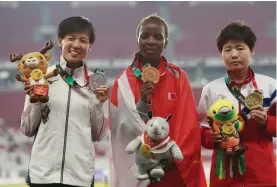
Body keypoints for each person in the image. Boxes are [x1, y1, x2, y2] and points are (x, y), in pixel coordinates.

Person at [110, 13, 207, 187]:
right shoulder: (123, 81)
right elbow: (118, 129)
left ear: (166, 43)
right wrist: (142, 104)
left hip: (173, 168)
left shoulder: (178, 76)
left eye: (158, 37)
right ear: (137, 40)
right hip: (138, 169)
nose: (151, 41)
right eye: (145, 36)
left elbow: (189, 124)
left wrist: (168, 155)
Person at [20, 16, 109, 187]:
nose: (76, 45)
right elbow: (27, 129)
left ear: (90, 46)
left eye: (83, 40)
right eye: (71, 38)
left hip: (79, 177)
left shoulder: (96, 82)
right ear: (60, 41)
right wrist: (36, 100)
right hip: (42, 175)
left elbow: (98, 135)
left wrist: (99, 103)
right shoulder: (41, 77)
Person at [198, 20, 276, 187]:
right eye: (228, 49)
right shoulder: (210, 90)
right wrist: (211, 137)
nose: (234, 54)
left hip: (262, 175)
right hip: (224, 176)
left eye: (240, 48)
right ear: (221, 55)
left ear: (252, 50)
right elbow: (200, 129)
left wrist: (266, 122)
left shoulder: (270, 86)